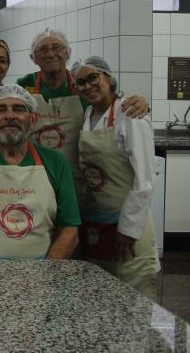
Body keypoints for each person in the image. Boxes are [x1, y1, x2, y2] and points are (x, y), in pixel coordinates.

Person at [16, 27, 149, 210]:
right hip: (36, 176)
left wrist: (142, 103)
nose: (51, 53)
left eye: (57, 47)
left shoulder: (82, 84)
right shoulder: (23, 86)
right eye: (43, 49)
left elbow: (110, 103)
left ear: (68, 53)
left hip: (78, 180)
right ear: (33, 58)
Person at [0, 85, 81, 260]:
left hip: (41, 271)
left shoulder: (55, 161)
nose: (9, 116)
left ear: (33, 119)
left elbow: (69, 229)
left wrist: (48, 272)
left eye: (19, 109)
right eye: (0, 110)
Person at [72, 56, 157, 300]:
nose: (88, 86)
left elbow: (145, 181)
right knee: (101, 296)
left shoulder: (130, 116)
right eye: (81, 82)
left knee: (130, 296)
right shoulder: (88, 114)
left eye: (93, 78)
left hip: (127, 225)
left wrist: (128, 230)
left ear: (109, 77)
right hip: (96, 221)